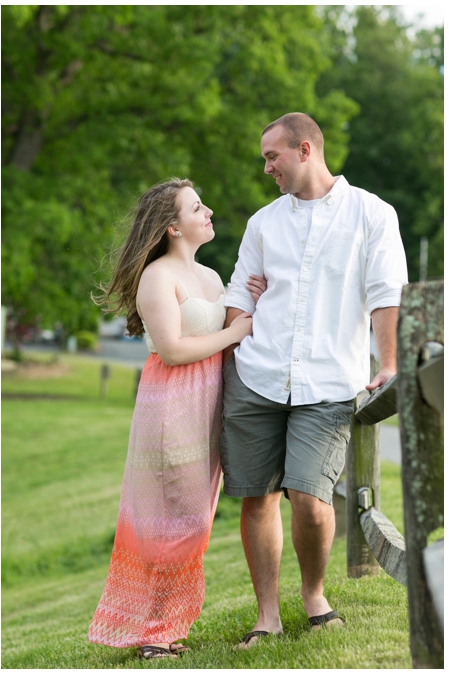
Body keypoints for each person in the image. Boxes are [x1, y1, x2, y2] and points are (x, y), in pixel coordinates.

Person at [222, 113, 408, 649]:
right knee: (255, 498)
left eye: (271, 156)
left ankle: (313, 595)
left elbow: (384, 294)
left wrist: (389, 363)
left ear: (305, 149)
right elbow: (239, 293)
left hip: (328, 383)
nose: (266, 168)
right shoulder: (263, 223)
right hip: (256, 376)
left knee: (308, 495)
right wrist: (233, 326)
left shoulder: (372, 214)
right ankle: (266, 616)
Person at [89, 178, 266, 659]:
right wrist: (233, 335)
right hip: (170, 407)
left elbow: (238, 326)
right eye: (196, 207)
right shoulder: (158, 277)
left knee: (196, 518)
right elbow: (171, 349)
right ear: (172, 227)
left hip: (207, 408)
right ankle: (153, 632)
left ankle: (165, 625)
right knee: (172, 517)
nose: (208, 211)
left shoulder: (209, 277)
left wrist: (258, 297)